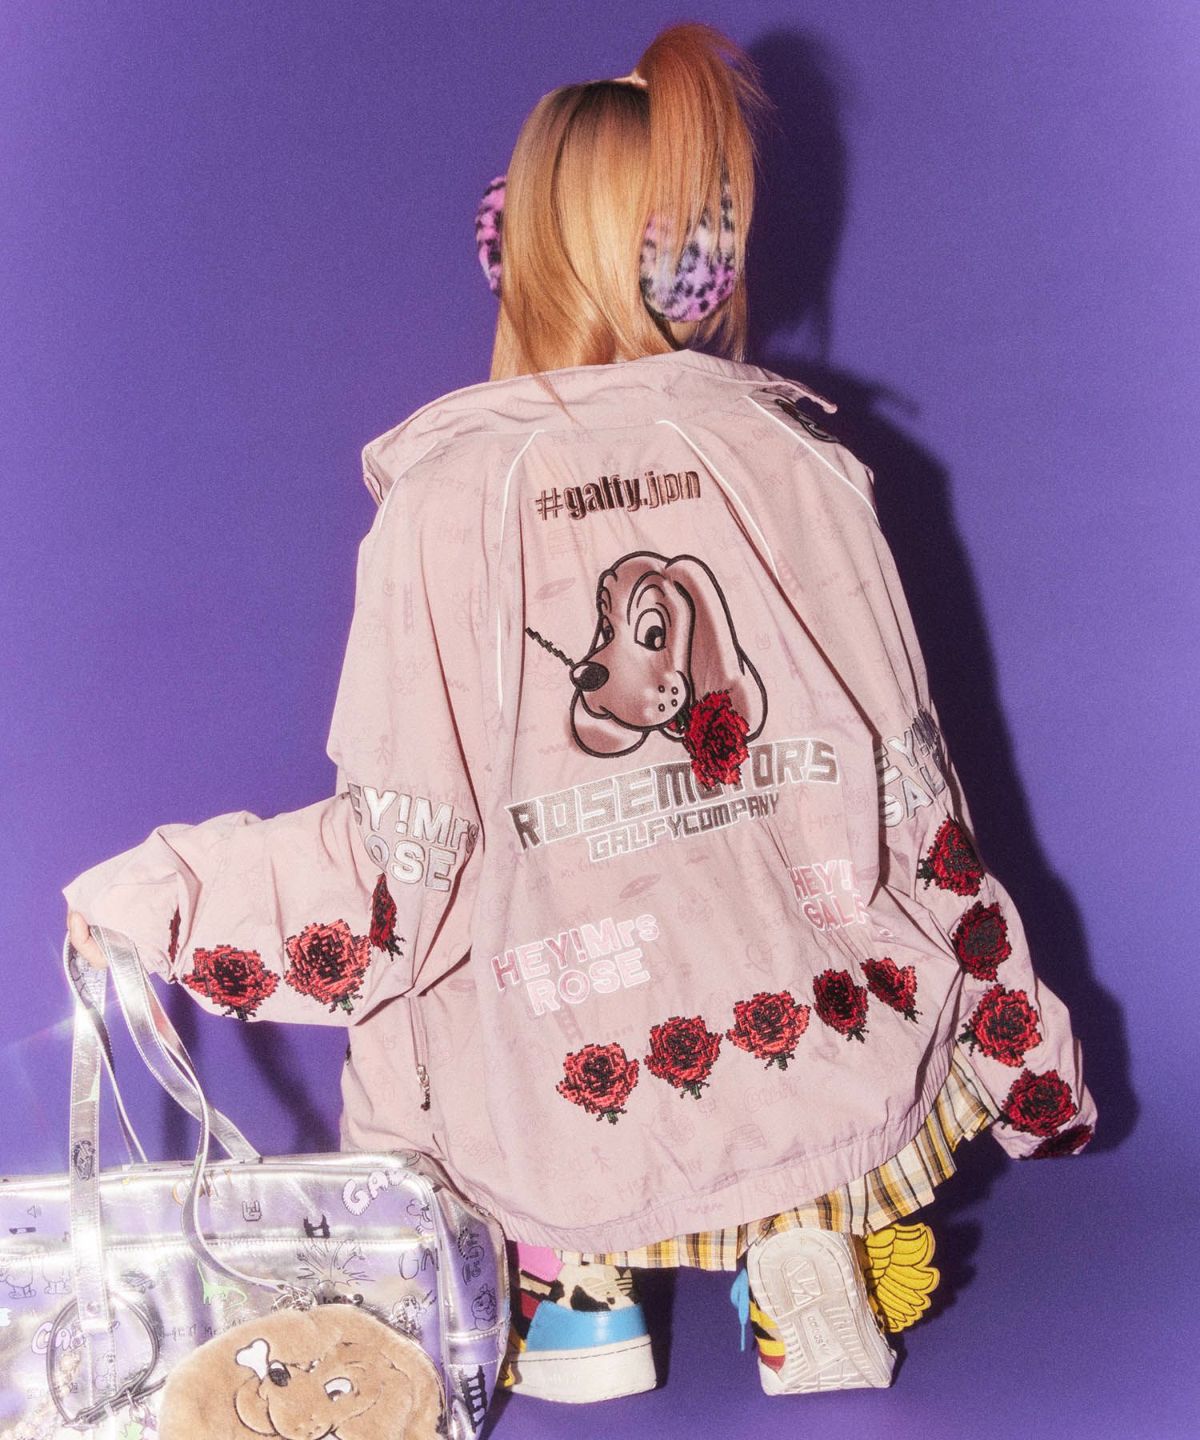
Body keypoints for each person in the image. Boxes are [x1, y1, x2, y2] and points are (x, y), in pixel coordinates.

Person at [65, 20, 1097, 1409]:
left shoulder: (445, 501)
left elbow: (400, 851)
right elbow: (908, 779)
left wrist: (168, 897)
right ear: (699, 265)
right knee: (801, 986)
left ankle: (578, 1299)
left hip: (570, 1077)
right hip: (820, 1044)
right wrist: (1018, 1038)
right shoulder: (797, 459)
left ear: (515, 251)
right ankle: (800, 1250)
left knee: (495, 1025)